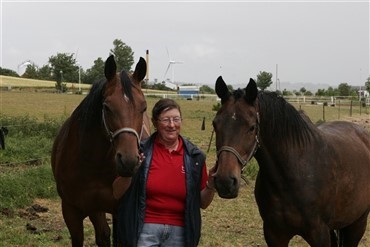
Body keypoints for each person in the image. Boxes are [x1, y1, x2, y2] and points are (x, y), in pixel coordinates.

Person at [113, 98, 216, 247]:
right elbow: (117, 193)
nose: (172, 125)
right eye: (166, 120)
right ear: (155, 123)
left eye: (176, 119)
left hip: (181, 232)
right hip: (145, 229)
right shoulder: (139, 152)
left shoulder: (195, 157)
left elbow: (203, 203)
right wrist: (129, 173)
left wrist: (211, 185)